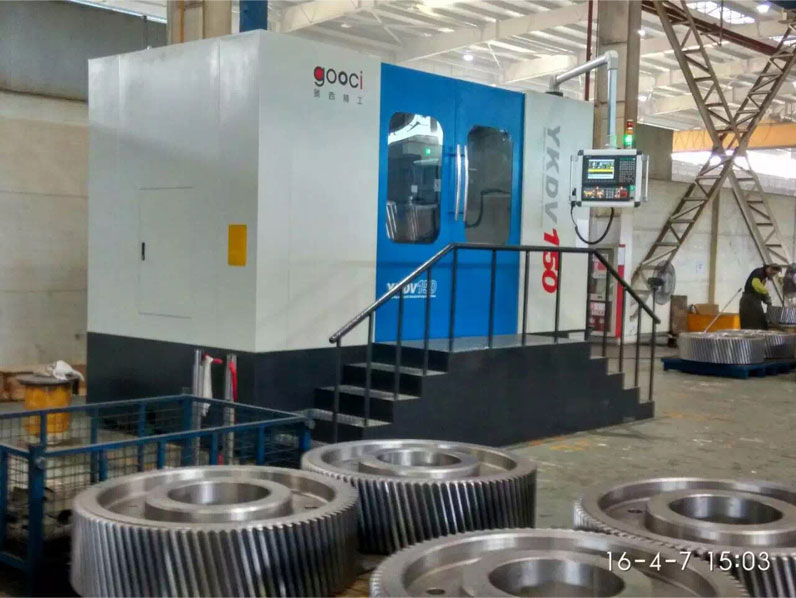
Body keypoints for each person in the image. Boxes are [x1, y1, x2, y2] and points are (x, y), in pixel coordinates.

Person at [739, 264, 782, 329]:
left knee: (760, 324)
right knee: (755, 325)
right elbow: (756, 284)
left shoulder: (763, 276)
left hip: (753, 300)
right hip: (749, 302)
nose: (773, 275)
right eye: (773, 274)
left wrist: (763, 297)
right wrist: (765, 294)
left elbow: (758, 289)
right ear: (770, 269)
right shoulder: (758, 273)